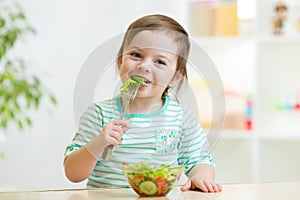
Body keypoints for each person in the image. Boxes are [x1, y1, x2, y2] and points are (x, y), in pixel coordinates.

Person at [64, 14, 222, 193]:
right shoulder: (99, 114)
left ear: (175, 77)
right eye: (136, 55)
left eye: (160, 61)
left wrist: (201, 177)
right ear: (120, 62)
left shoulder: (181, 117)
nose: (144, 66)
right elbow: (73, 173)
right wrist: (98, 143)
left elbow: (199, 160)